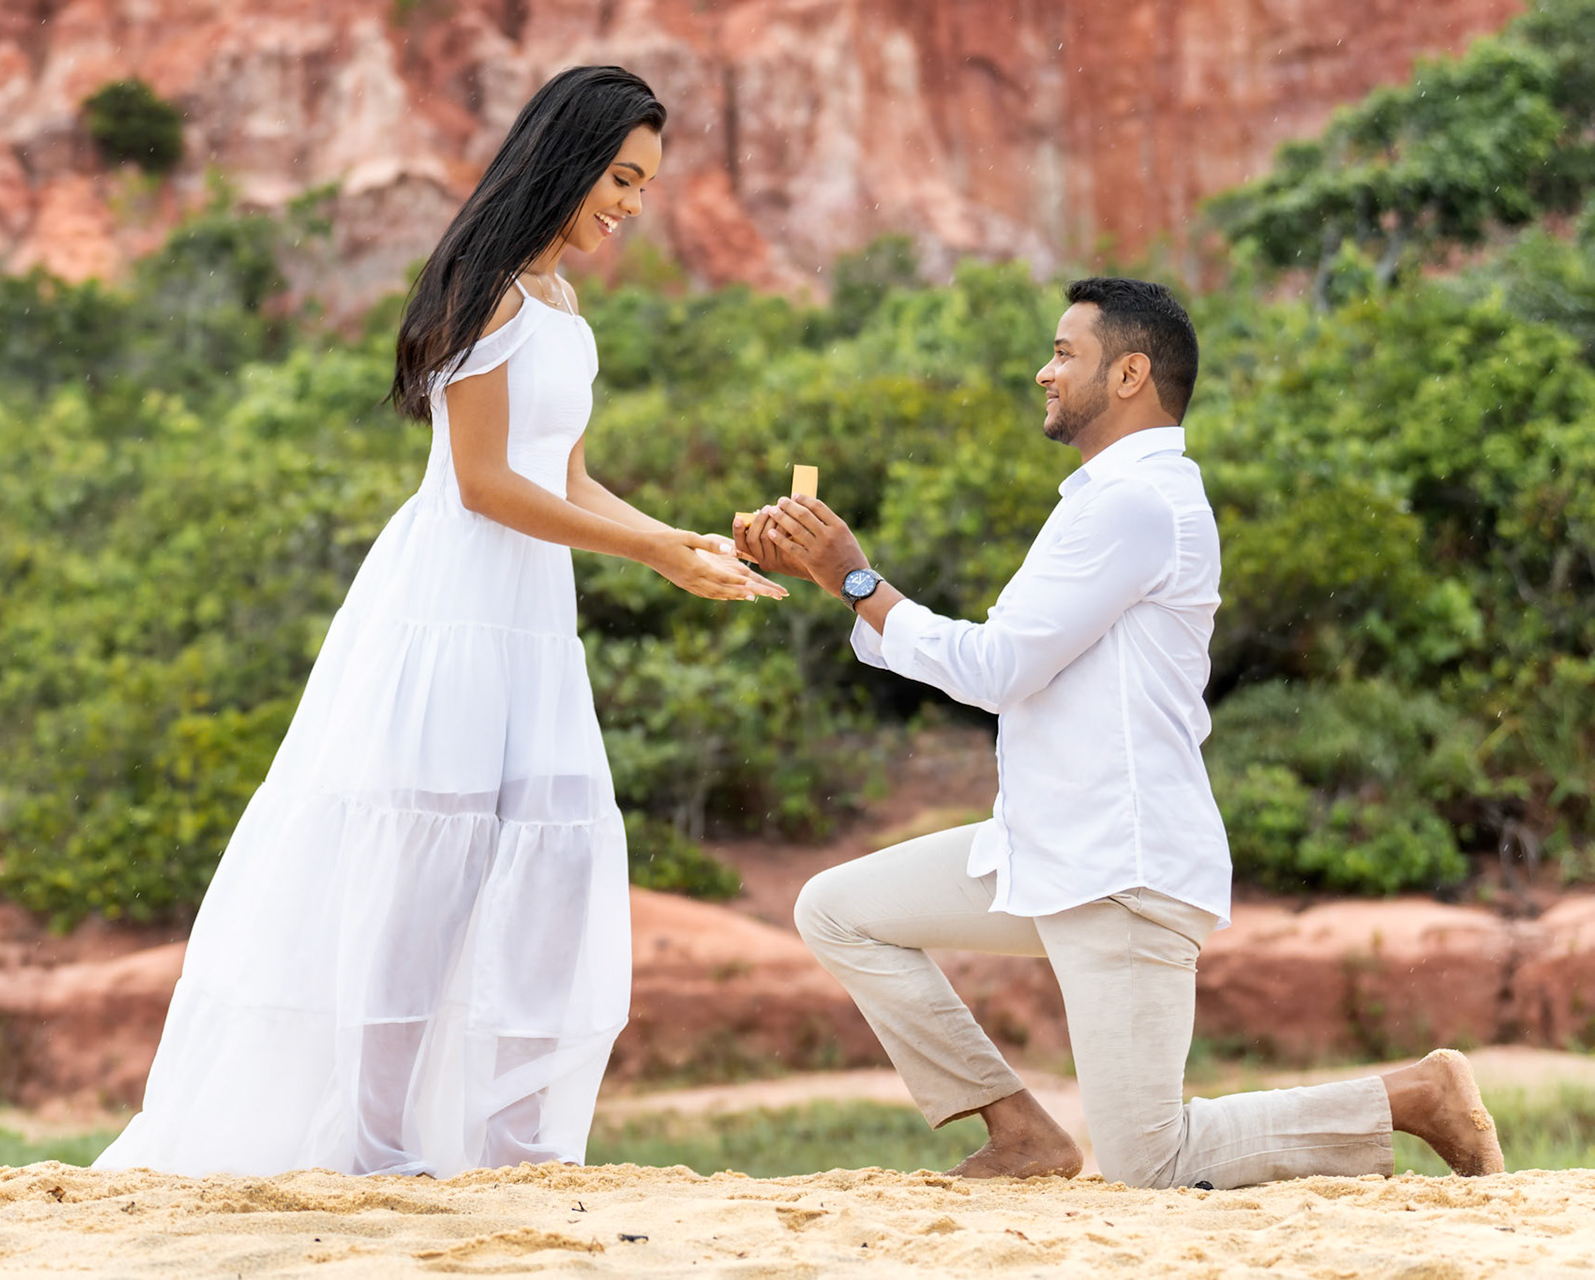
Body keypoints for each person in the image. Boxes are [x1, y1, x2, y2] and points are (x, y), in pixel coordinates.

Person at [95, 65, 784, 1180]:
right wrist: (649, 550)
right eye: (619, 177)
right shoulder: (489, 289)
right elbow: (481, 485)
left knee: (546, 870)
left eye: (645, 185)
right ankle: (375, 1146)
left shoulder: (562, 304)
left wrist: (679, 545)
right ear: (566, 159)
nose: (631, 205)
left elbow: (564, 474)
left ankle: (518, 1140)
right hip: (455, 604)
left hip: (530, 620)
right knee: (422, 879)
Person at [735, 278, 1504, 1189]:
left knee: (1151, 1161)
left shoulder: (1136, 505)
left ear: (1131, 372)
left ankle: (1415, 1097)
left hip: (1121, 866)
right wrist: (839, 583)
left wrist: (859, 582)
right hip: (1047, 849)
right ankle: (1019, 1132)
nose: (1042, 372)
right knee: (838, 909)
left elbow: (997, 671)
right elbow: (998, 659)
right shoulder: (1104, 499)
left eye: (1065, 354)